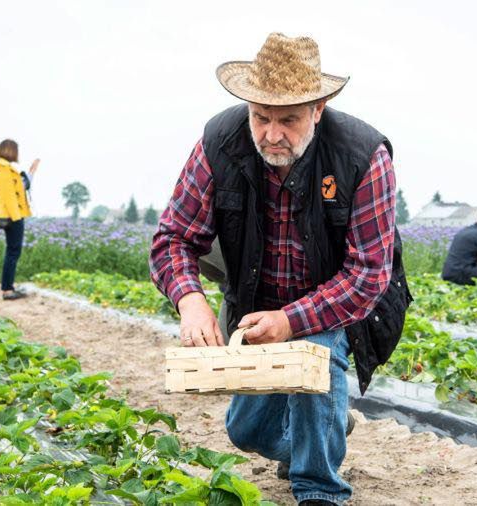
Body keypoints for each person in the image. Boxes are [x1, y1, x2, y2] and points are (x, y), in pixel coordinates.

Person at [150, 33, 411, 506]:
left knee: (316, 361)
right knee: (245, 430)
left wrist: (291, 321)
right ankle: (327, 428)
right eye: (261, 117)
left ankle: (319, 490)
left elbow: (368, 274)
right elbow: (173, 238)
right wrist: (190, 301)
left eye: (288, 120)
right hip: (257, 303)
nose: (271, 135)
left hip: (334, 303)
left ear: (318, 108)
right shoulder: (219, 142)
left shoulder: (362, 155)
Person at [0, 139, 39, 300]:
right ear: (11, 151)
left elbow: (20, 189)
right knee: (13, 251)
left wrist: (31, 172)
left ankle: (8, 287)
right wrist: (17, 218)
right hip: (12, 215)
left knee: (12, 251)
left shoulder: (7, 169)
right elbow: (9, 196)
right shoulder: (4, 170)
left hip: (12, 214)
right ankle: (7, 290)